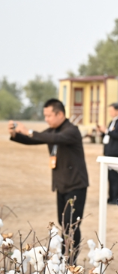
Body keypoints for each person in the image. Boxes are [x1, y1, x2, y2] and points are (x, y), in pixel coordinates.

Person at [9, 99, 89, 263]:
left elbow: (53, 137)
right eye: (44, 115)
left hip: (75, 185)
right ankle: (64, 256)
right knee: (63, 223)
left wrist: (29, 130)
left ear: (60, 114)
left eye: (48, 115)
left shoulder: (71, 130)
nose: (46, 119)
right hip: (61, 185)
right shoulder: (54, 130)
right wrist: (15, 134)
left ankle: (69, 260)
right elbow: (37, 139)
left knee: (71, 225)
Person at [98, 103, 118, 204]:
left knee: (115, 178)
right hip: (108, 153)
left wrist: (106, 131)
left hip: (116, 153)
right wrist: (102, 132)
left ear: (117, 110)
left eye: (111, 110)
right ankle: (111, 196)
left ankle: (116, 198)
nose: (110, 113)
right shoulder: (111, 122)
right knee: (109, 177)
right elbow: (108, 135)